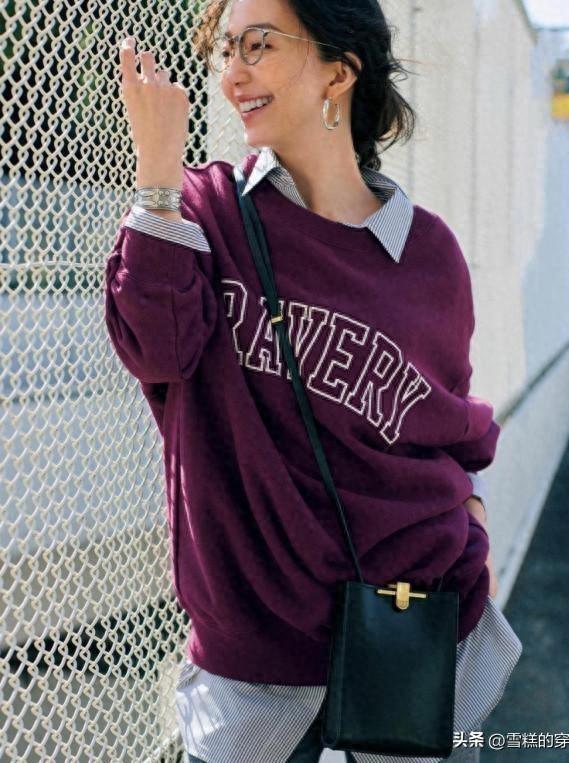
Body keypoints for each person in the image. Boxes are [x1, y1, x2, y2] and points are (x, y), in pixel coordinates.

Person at [106, 1, 523, 761]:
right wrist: (157, 173)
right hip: (252, 665)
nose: (231, 74)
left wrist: (472, 514)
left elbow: (450, 422)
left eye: (258, 45)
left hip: (412, 627)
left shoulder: (427, 252)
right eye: (225, 49)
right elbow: (156, 349)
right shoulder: (201, 210)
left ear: (339, 71)